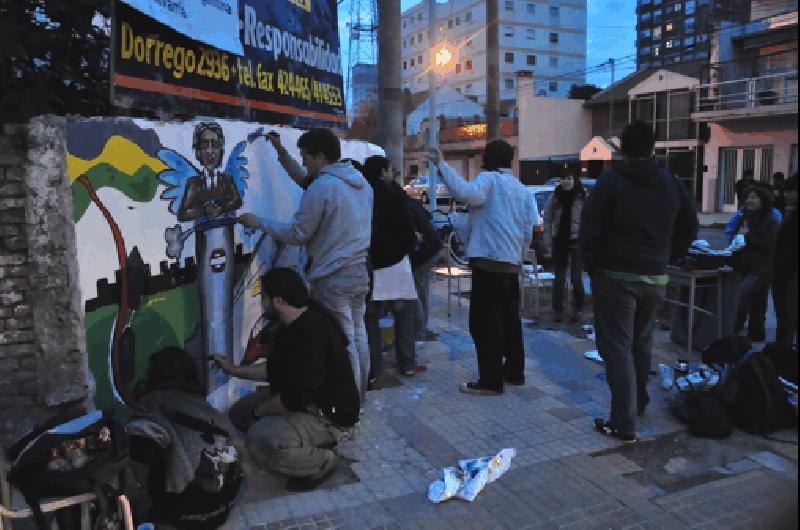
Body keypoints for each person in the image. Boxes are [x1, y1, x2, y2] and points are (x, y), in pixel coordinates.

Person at [580, 121, 698, 442]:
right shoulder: (670, 182)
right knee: (641, 342)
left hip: (615, 277)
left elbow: (588, 228)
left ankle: (623, 423)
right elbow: (690, 225)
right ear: (653, 147)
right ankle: (638, 402)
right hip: (655, 276)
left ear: (621, 148)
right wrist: (670, 256)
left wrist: (593, 265)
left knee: (617, 348)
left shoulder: (611, 181)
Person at [239, 128, 373, 400]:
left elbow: (298, 234)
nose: (303, 163)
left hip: (333, 276)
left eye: (305, 157)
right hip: (359, 271)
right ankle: (361, 394)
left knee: (343, 341)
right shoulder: (358, 182)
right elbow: (307, 182)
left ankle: (351, 405)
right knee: (358, 335)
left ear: (320, 157)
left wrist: (259, 222)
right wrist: (280, 153)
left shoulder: (323, 187)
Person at [215, 267, 360, 492]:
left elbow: (293, 400)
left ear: (279, 301)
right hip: (303, 399)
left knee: (259, 439)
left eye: (264, 298)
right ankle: (300, 438)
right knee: (238, 414)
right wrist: (232, 370)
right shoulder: (293, 323)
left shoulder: (311, 333)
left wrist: (259, 413)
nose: (261, 304)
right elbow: (273, 370)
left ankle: (322, 461)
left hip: (328, 414)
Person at [426, 140, 538, 395]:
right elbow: (527, 229)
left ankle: (490, 381)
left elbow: (464, 193)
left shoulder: (489, 180)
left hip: (489, 264)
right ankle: (514, 372)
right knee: (511, 323)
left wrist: (442, 163)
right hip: (511, 266)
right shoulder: (520, 189)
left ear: (488, 159)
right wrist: (518, 259)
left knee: (485, 324)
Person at [128, 347, 242, 529]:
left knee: (129, 446)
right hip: (221, 511)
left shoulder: (151, 404)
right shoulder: (204, 406)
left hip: (180, 515)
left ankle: (149, 509)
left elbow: (141, 450)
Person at [361, 156, 420, 379]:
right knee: (404, 317)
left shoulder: (364, 195)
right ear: (384, 172)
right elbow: (407, 230)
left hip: (372, 268)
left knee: (370, 321)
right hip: (397, 267)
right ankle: (408, 364)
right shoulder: (395, 195)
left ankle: (374, 369)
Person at [731, 185, 779, 342]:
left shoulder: (770, 221)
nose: (749, 201)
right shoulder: (743, 218)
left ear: (763, 201)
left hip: (762, 268)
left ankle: (734, 329)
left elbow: (769, 246)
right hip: (745, 265)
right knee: (757, 302)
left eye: (753, 197)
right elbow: (737, 240)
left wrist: (748, 236)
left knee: (743, 295)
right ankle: (756, 334)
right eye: (747, 197)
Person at [542, 172, 586, 323]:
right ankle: (558, 310)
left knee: (576, 277)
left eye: (569, 178)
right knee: (559, 278)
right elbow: (547, 220)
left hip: (577, 241)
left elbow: (591, 218)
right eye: (563, 178)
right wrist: (548, 242)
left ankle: (578, 308)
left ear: (574, 179)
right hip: (559, 241)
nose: (566, 181)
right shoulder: (555, 197)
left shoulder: (582, 195)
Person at [177, 122, 243, 222]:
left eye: (215, 145)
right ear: (198, 152)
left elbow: (237, 201)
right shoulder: (193, 183)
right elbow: (182, 214)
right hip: (202, 234)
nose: (209, 151)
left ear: (221, 150)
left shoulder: (227, 179)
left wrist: (222, 208)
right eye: (204, 145)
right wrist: (204, 211)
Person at [406, 193, 444, 342]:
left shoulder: (404, 207)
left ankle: (420, 331)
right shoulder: (414, 204)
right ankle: (422, 329)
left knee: (416, 293)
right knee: (422, 293)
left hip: (424, 253)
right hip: (432, 249)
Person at [774, 174, 797, 345]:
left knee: (787, 319)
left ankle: (784, 358)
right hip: (784, 274)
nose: (786, 195)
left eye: (791, 191)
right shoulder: (790, 214)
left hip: (790, 276)